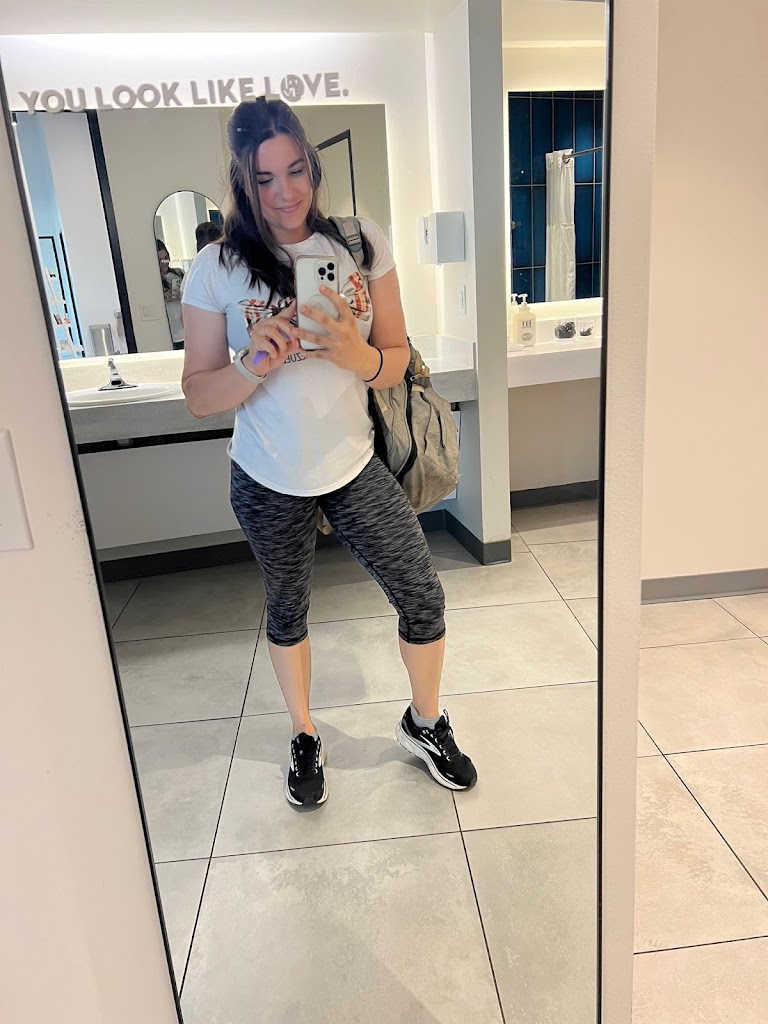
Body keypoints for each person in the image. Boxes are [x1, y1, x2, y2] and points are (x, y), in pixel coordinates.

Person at [181, 97, 477, 807]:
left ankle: (425, 721)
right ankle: (304, 733)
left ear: (312, 165)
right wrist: (253, 362)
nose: (285, 192)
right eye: (264, 179)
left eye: (295, 170)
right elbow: (198, 395)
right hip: (265, 473)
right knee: (287, 610)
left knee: (422, 594)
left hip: (353, 464)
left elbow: (396, 359)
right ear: (243, 183)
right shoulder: (216, 267)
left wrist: (354, 352)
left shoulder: (359, 243)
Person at [156, 239, 185, 350]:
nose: (164, 262)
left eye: (166, 258)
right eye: (160, 260)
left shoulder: (179, 273)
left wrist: (180, 293)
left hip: (186, 328)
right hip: (171, 332)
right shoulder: (154, 280)